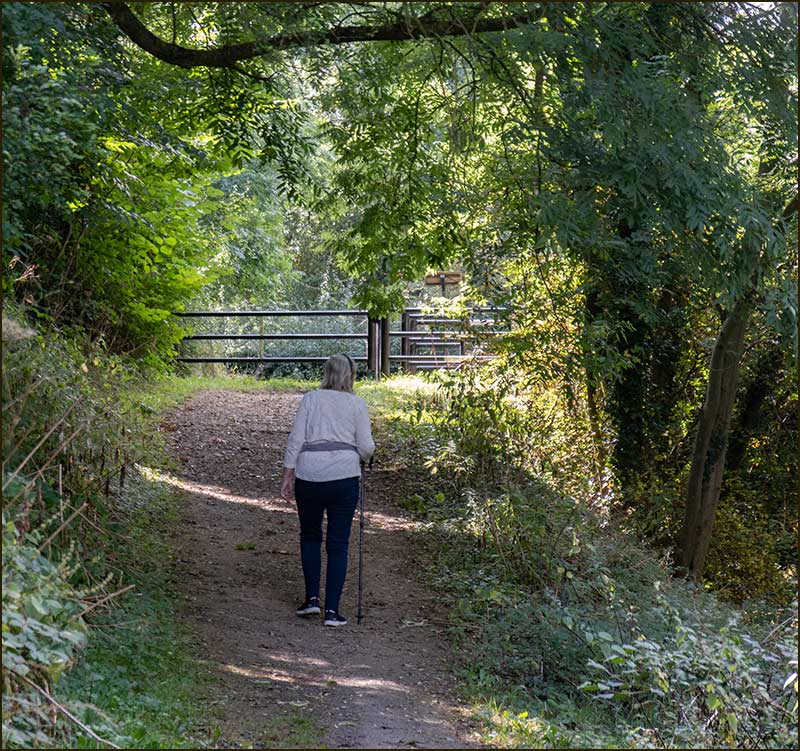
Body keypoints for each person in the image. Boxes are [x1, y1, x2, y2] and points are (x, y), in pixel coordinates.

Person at [280, 353, 375, 627]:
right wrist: (362, 453)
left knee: (310, 536)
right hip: (344, 478)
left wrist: (288, 474)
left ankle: (311, 600)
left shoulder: (311, 399)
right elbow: (367, 447)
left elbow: (296, 438)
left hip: (310, 476)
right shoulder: (357, 404)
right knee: (338, 543)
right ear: (351, 375)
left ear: (327, 373)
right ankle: (332, 611)